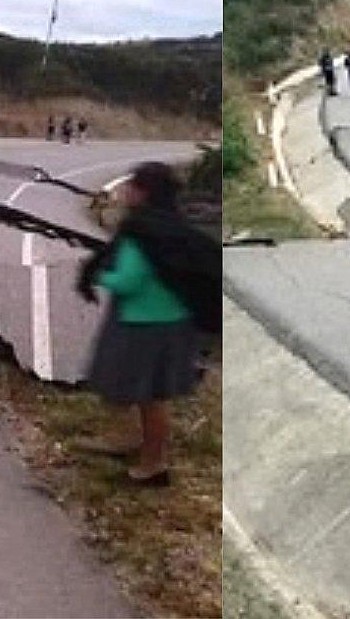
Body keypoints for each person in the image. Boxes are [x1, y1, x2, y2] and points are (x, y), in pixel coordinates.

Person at [78, 162, 220, 485]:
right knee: (140, 391)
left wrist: (100, 275)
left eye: (132, 186)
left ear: (144, 193)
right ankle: (130, 440)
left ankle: (153, 464)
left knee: (150, 397)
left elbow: (129, 281)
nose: (125, 191)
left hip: (146, 326)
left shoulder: (142, 232)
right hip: (172, 323)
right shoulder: (171, 226)